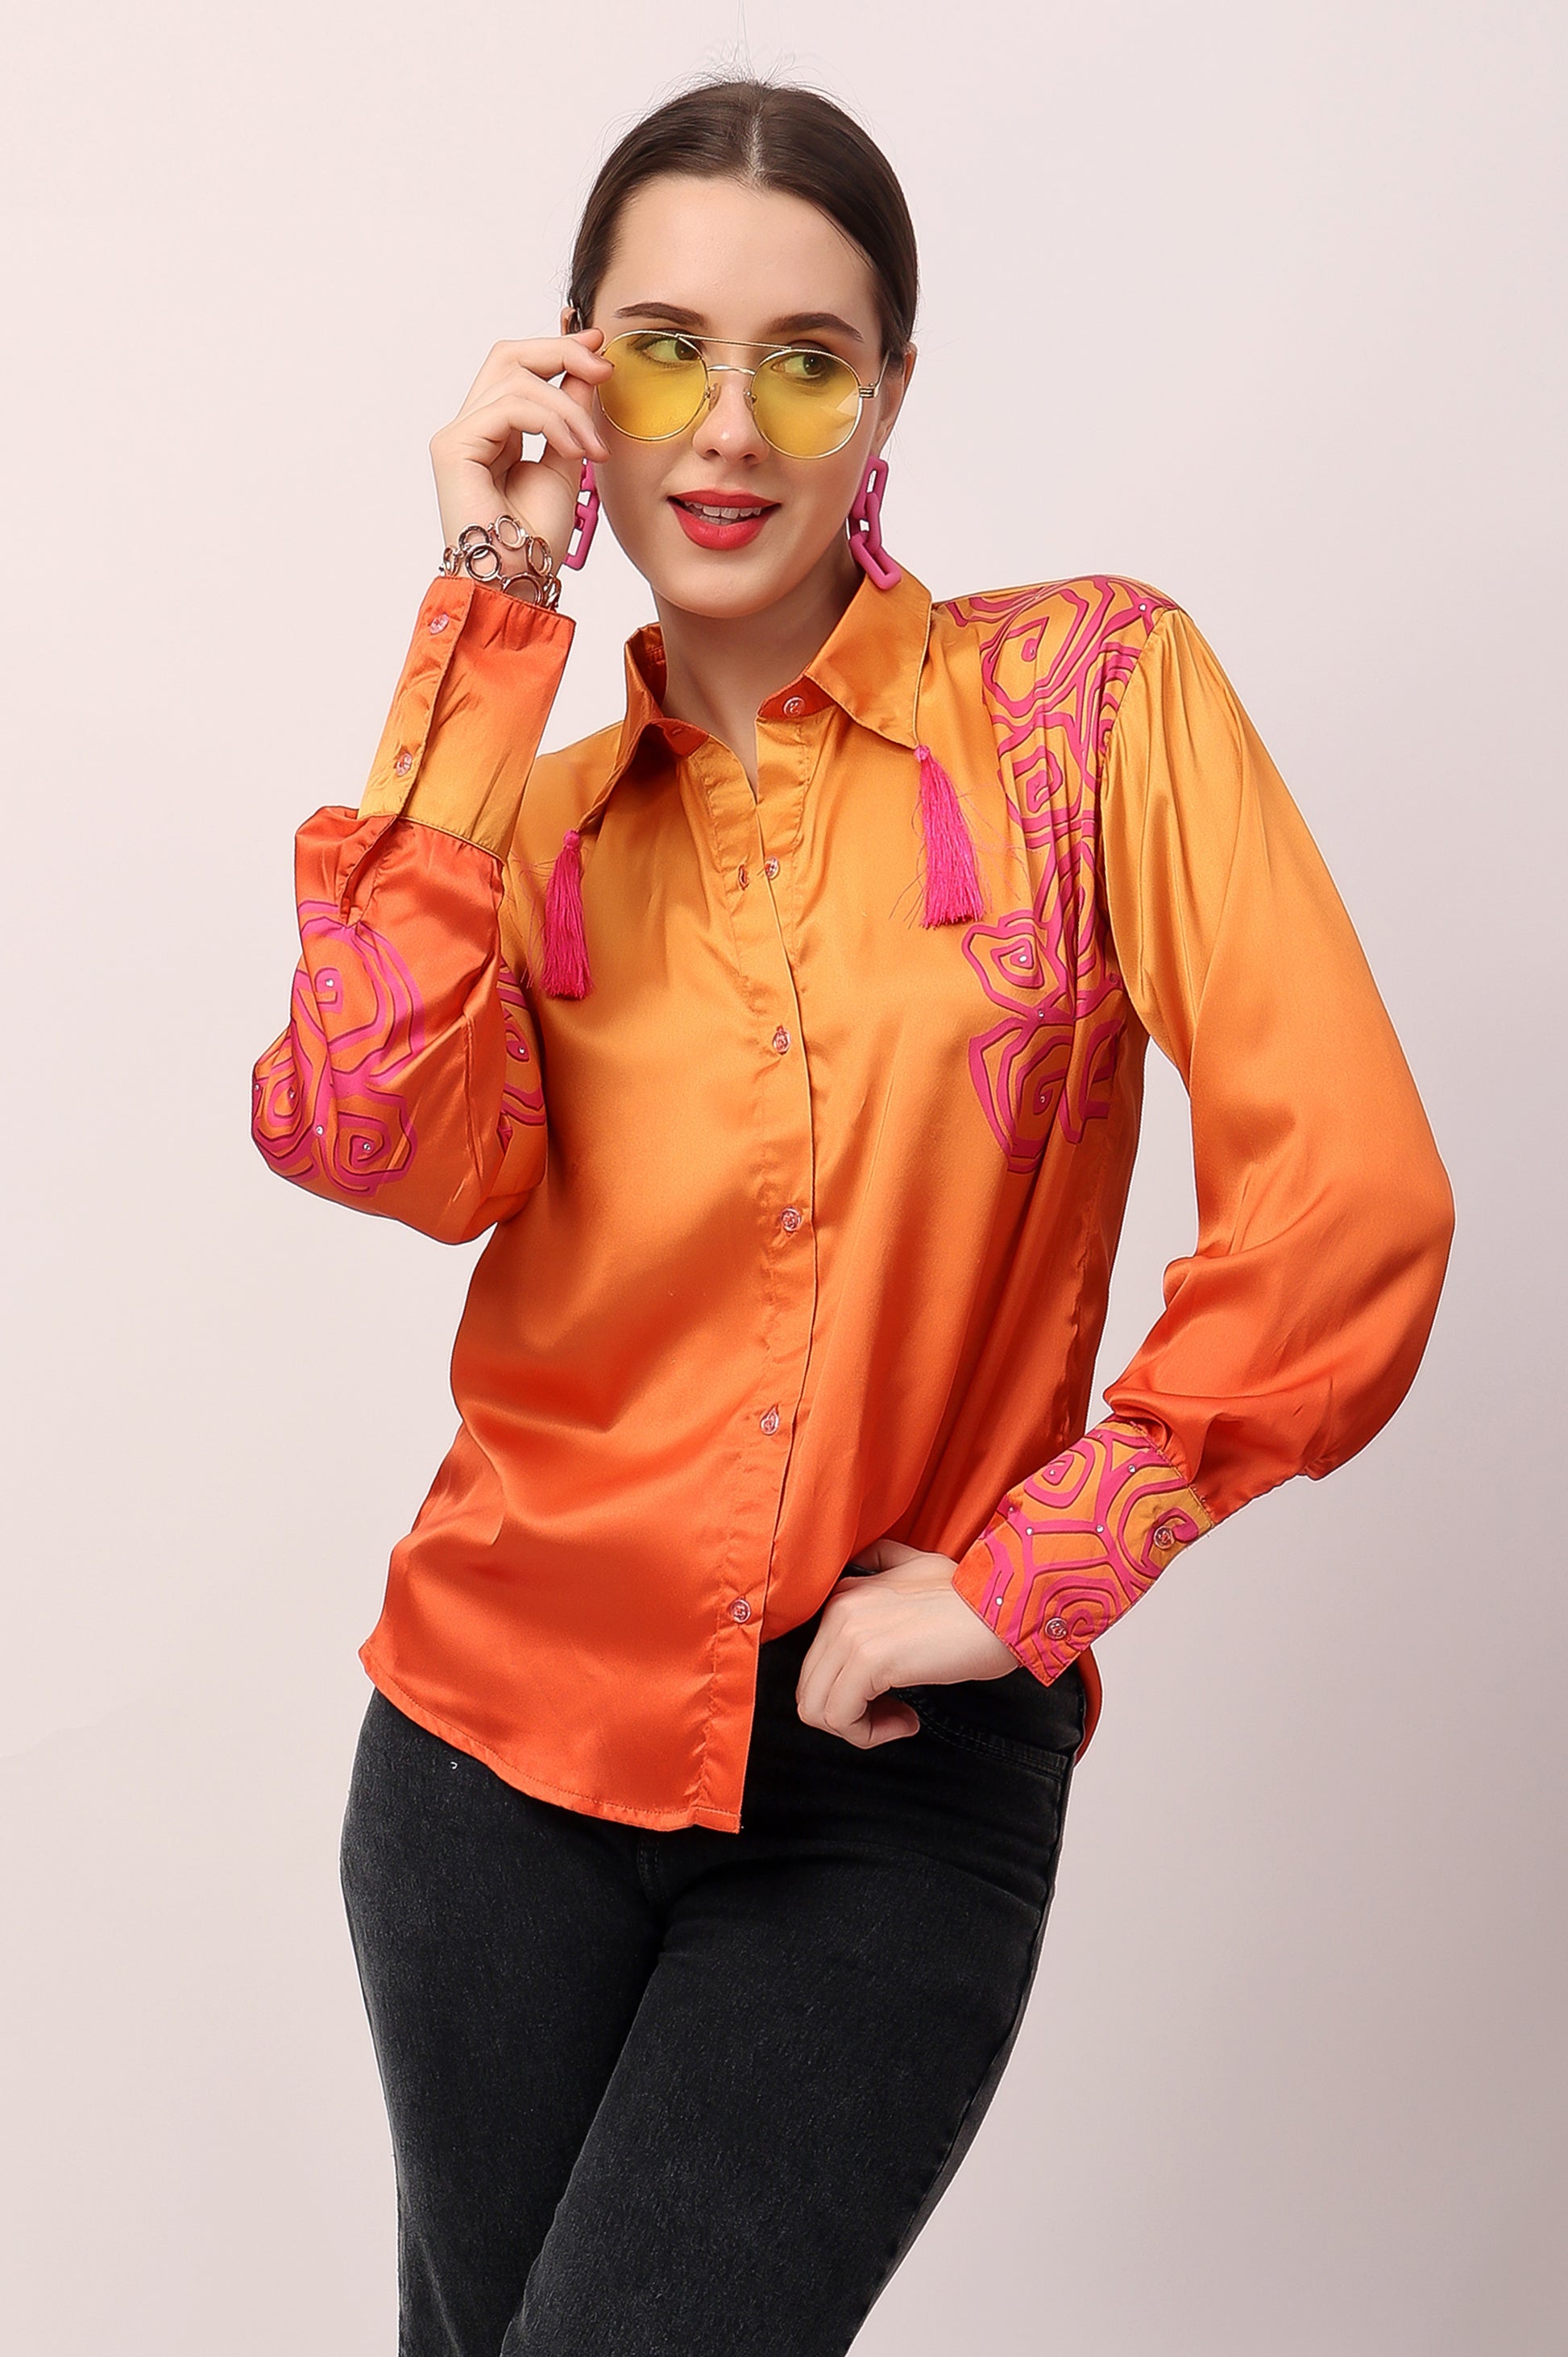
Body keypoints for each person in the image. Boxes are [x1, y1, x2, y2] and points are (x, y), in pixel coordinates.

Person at [251, 71, 1454, 2357]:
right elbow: (358, 1134)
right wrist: (487, 607)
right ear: (577, 381)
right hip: (488, 1763)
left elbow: (1352, 1200)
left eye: (803, 359)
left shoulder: (1092, 706)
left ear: (890, 392)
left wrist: (1029, 1576)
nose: (727, 429)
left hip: (887, 1782)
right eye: (662, 351)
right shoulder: (532, 826)